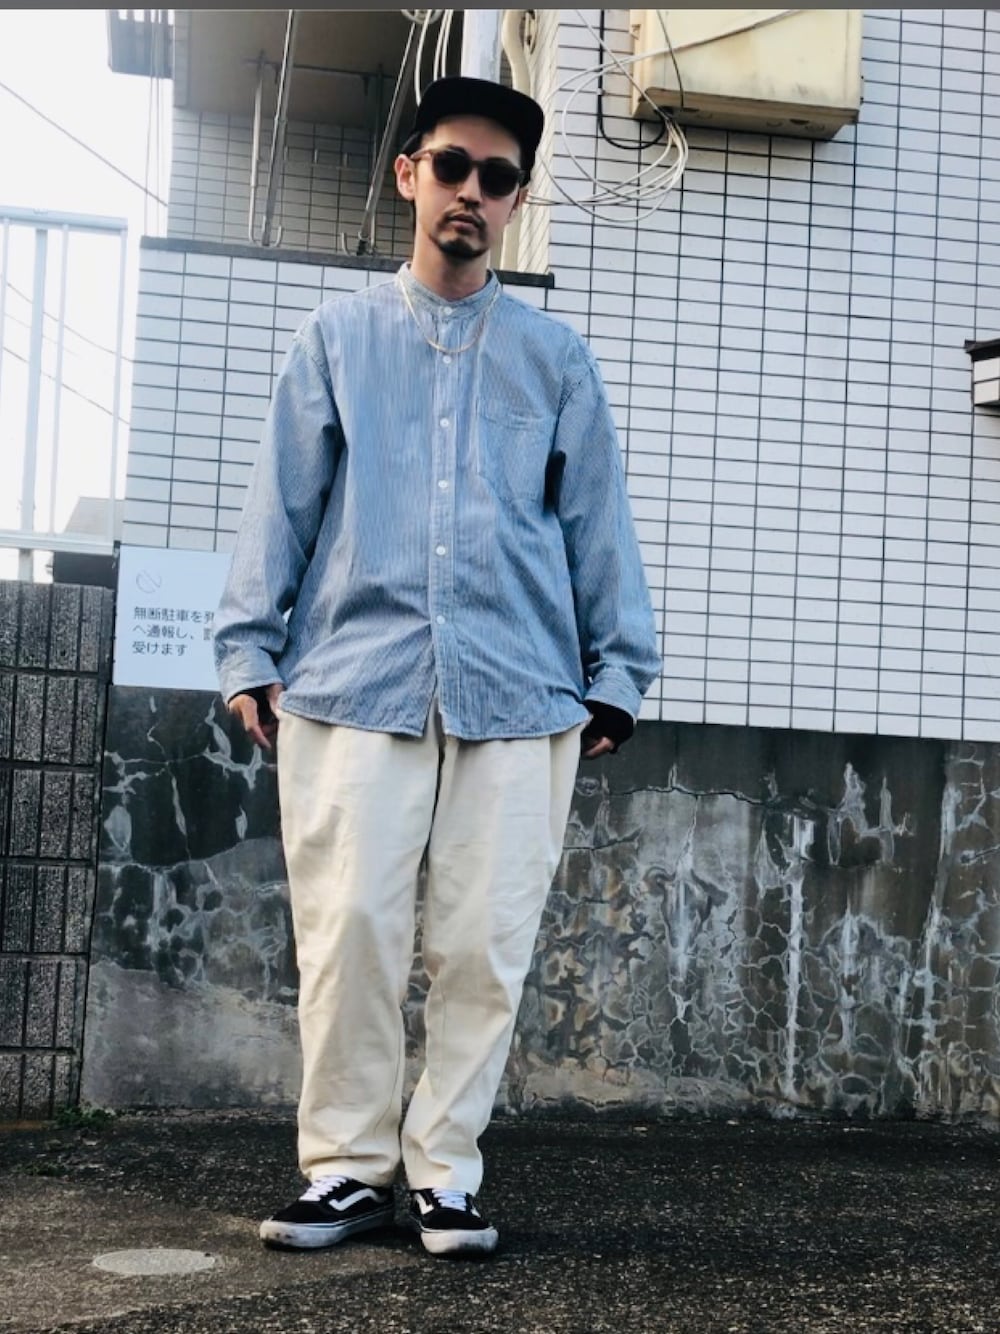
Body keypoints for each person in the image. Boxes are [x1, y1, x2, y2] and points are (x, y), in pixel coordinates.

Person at [214, 75, 660, 1260]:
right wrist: (248, 647)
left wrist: (617, 674)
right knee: (350, 930)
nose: (471, 191)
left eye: (496, 177)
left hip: (520, 692)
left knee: (481, 946)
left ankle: (446, 1172)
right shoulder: (336, 339)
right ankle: (346, 1168)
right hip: (351, 680)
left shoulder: (554, 360)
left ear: (514, 200)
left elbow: (596, 525)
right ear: (409, 172)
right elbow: (282, 506)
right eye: (452, 165)